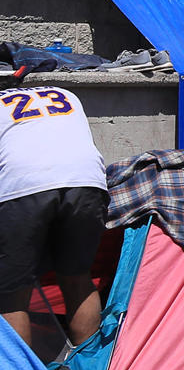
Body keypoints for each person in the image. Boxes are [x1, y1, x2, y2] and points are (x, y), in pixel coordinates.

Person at [0, 84, 109, 347]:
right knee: (77, 279)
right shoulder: (65, 93)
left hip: (23, 187)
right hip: (87, 182)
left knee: (11, 295)